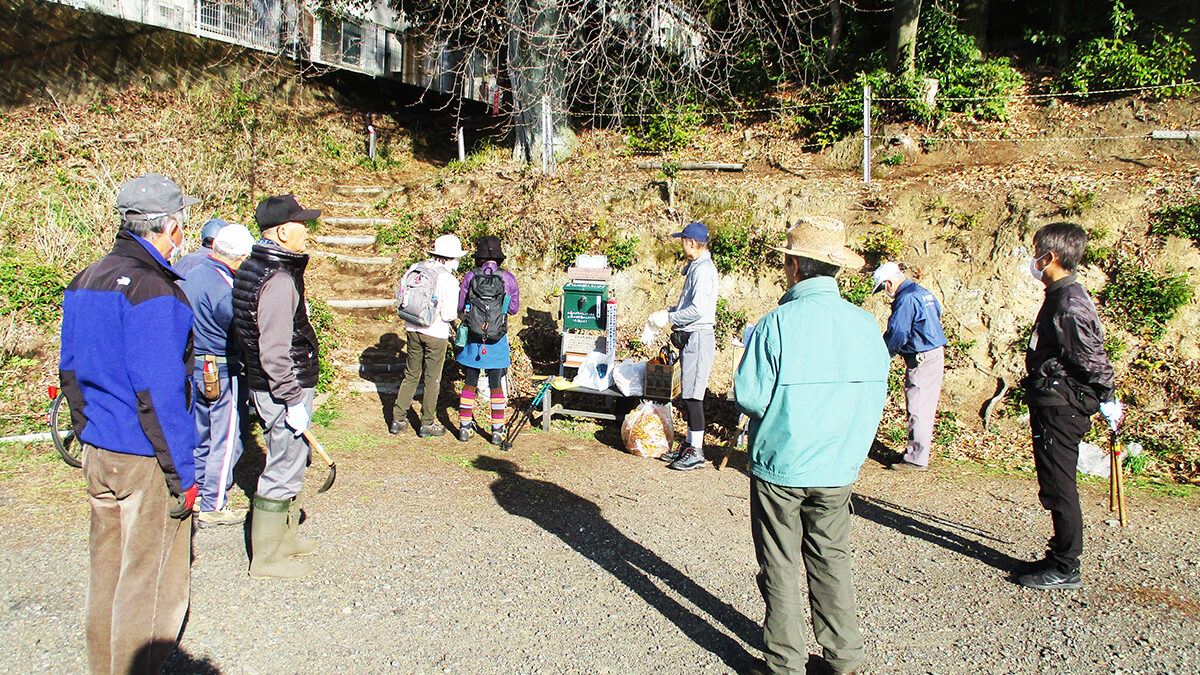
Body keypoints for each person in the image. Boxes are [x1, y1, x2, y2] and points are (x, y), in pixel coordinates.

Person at [734, 216, 889, 675]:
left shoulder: (775, 324)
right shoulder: (865, 325)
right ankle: (844, 659)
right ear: (834, 268)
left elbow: (749, 396)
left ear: (795, 267)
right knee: (831, 559)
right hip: (838, 467)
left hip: (781, 466)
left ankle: (785, 663)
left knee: (780, 564)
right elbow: (876, 394)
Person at [60, 172, 199, 675]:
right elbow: (159, 393)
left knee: (107, 572)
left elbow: (69, 369)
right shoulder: (154, 289)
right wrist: (181, 472)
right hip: (143, 453)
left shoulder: (86, 277)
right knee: (144, 576)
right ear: (172, 227)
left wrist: (87, 429)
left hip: (100, 446)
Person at [1019, 222, 1121, 591]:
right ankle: (1059, 553)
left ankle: (1066, 564)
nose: (1033, 261)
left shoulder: (1069, 303)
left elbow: (1092, 359)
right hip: (1053, 401)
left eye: (1036, 254)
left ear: (1051, 257)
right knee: (1053, 480)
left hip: (1063, 405)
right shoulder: (1061, 296)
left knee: (1060, 484)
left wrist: (1107, 396)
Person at [232, 194, 322, 580]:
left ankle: (286, 538)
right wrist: (291, 399)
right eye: (302, 225)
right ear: (284, 231)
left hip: (269, 384)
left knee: (292, 458)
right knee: (284, 464)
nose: (307, 232)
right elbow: (273, 348)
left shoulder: (256, 267)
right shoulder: (279, 278)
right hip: (282, 388)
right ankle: (267, 558)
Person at [178, 223, 256, 527]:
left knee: (199, 433)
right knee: (227, 438)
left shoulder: (191, 274)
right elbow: (240, 331)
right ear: (240, 258)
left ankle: (196, 493)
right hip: (222, 368)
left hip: (192, 364)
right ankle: (214, 503)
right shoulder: (226, 288)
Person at [651, 221, 718, 471]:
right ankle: (690, 444)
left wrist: (669, 318)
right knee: (688, 393)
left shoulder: (703, 270)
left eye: (683, 241)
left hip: (699, 336)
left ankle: (697, 451)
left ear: (691, 242)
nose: (681, 245)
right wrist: (667, 311)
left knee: (694, 396)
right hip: (691, 336)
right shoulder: (696, 267)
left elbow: (699, 310)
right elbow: (688, 305)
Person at [872, 261, 948, 471]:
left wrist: (882, 355)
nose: (885, 292)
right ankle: (917, 452)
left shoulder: (905, 299)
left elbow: (897, 333)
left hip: (922, 356)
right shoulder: (923, 293)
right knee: (924, 405)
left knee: (918, 406)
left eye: (883, 287)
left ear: (888, 282)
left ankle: (916, 459)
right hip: (933, 352)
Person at [391, 234, 468, 438]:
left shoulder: (416, 267)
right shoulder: (448, 279)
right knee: (432, 378)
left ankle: (398, 419)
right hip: (436, 333)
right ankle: (427, 422)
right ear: (451, 258)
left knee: (411, 374)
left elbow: (401, 294)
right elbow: (448, 314)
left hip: (412, 327)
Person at [456, 235, 520, 444]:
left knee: (470, 382)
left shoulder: (470, 276)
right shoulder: (507, 278)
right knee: (496, 385)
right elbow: (513, 309)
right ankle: (497, 431)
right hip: (497, 337)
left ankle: (465, 426)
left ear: (479, 257)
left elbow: (460, 307)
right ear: (499, 258)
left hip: (474, 338)